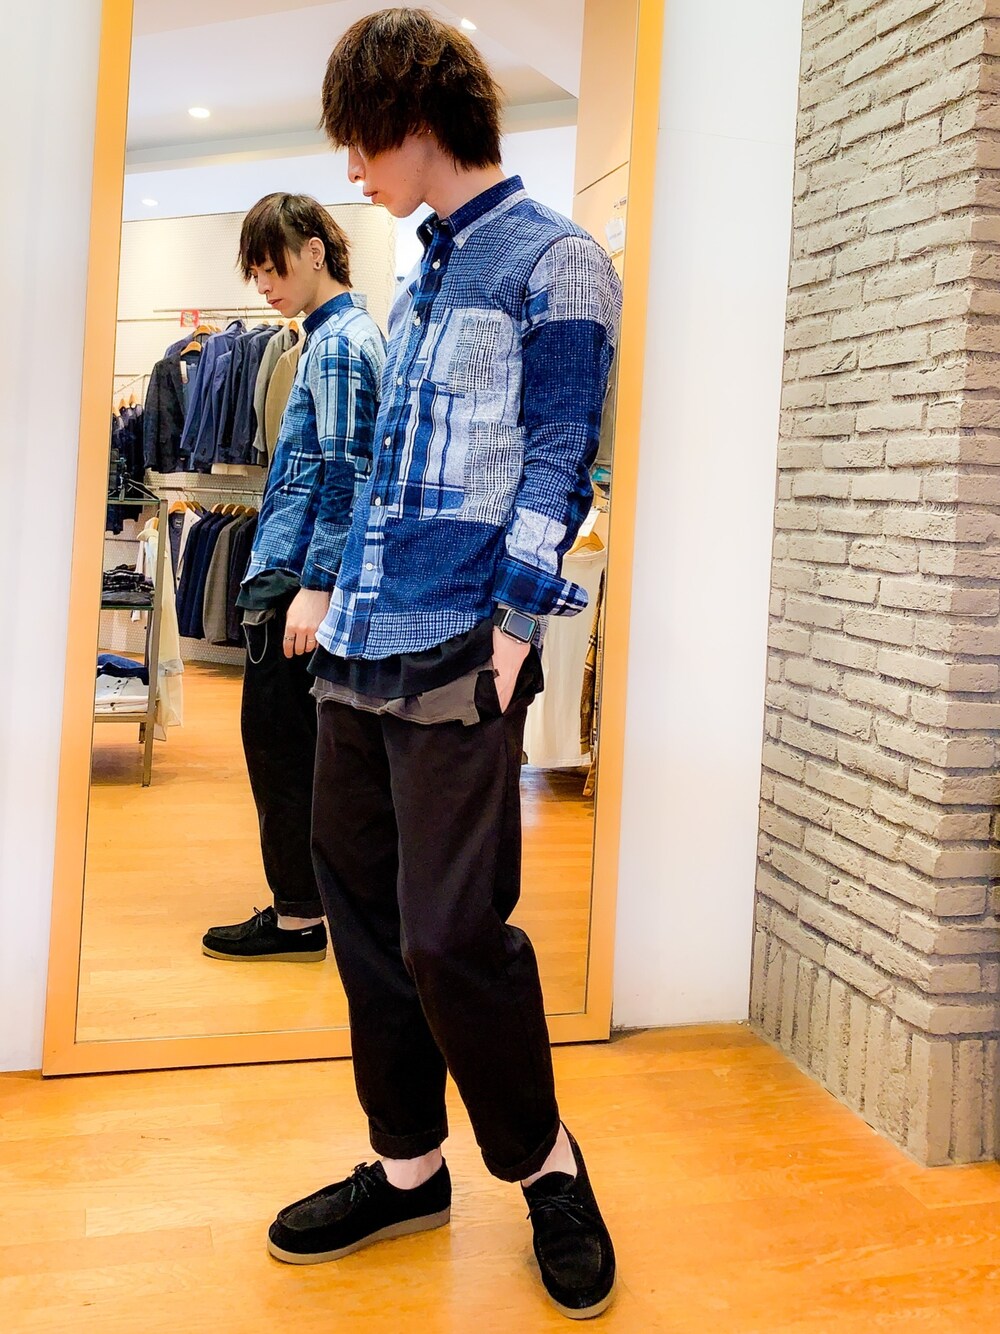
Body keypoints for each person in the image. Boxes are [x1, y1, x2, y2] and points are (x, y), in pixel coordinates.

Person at [266, 12, 622, 1321]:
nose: (351, 170)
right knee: (362, 918)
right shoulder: (421, 277)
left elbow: (560, 455)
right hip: (360, 643)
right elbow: (387, 469)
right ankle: (408, 1164)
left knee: (450, 933)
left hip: (464, 644)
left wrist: (516, 634)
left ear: (416, 121)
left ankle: (544, 1162)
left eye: (361, 143)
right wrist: (327, 586)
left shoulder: (556, 260)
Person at [201, 194, 385, 965]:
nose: (265, 285)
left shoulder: (337, 346)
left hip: (298, 582)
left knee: (280, 752)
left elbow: (348, 472)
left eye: (274, 267)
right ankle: (313, 908)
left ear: (315, 251)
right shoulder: (340, 336)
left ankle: (298, 919)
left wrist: (316, 584)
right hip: (300, 575)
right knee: (304, 752)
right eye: (256, 272)